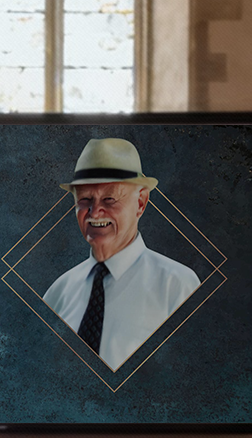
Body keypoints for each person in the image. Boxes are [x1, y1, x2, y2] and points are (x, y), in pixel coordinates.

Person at [41, 138, 200, 371]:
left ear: (141, 203)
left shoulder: (178, 287)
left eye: (110, 199)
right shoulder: (58, 293)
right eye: (85, 199)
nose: (95, 212)